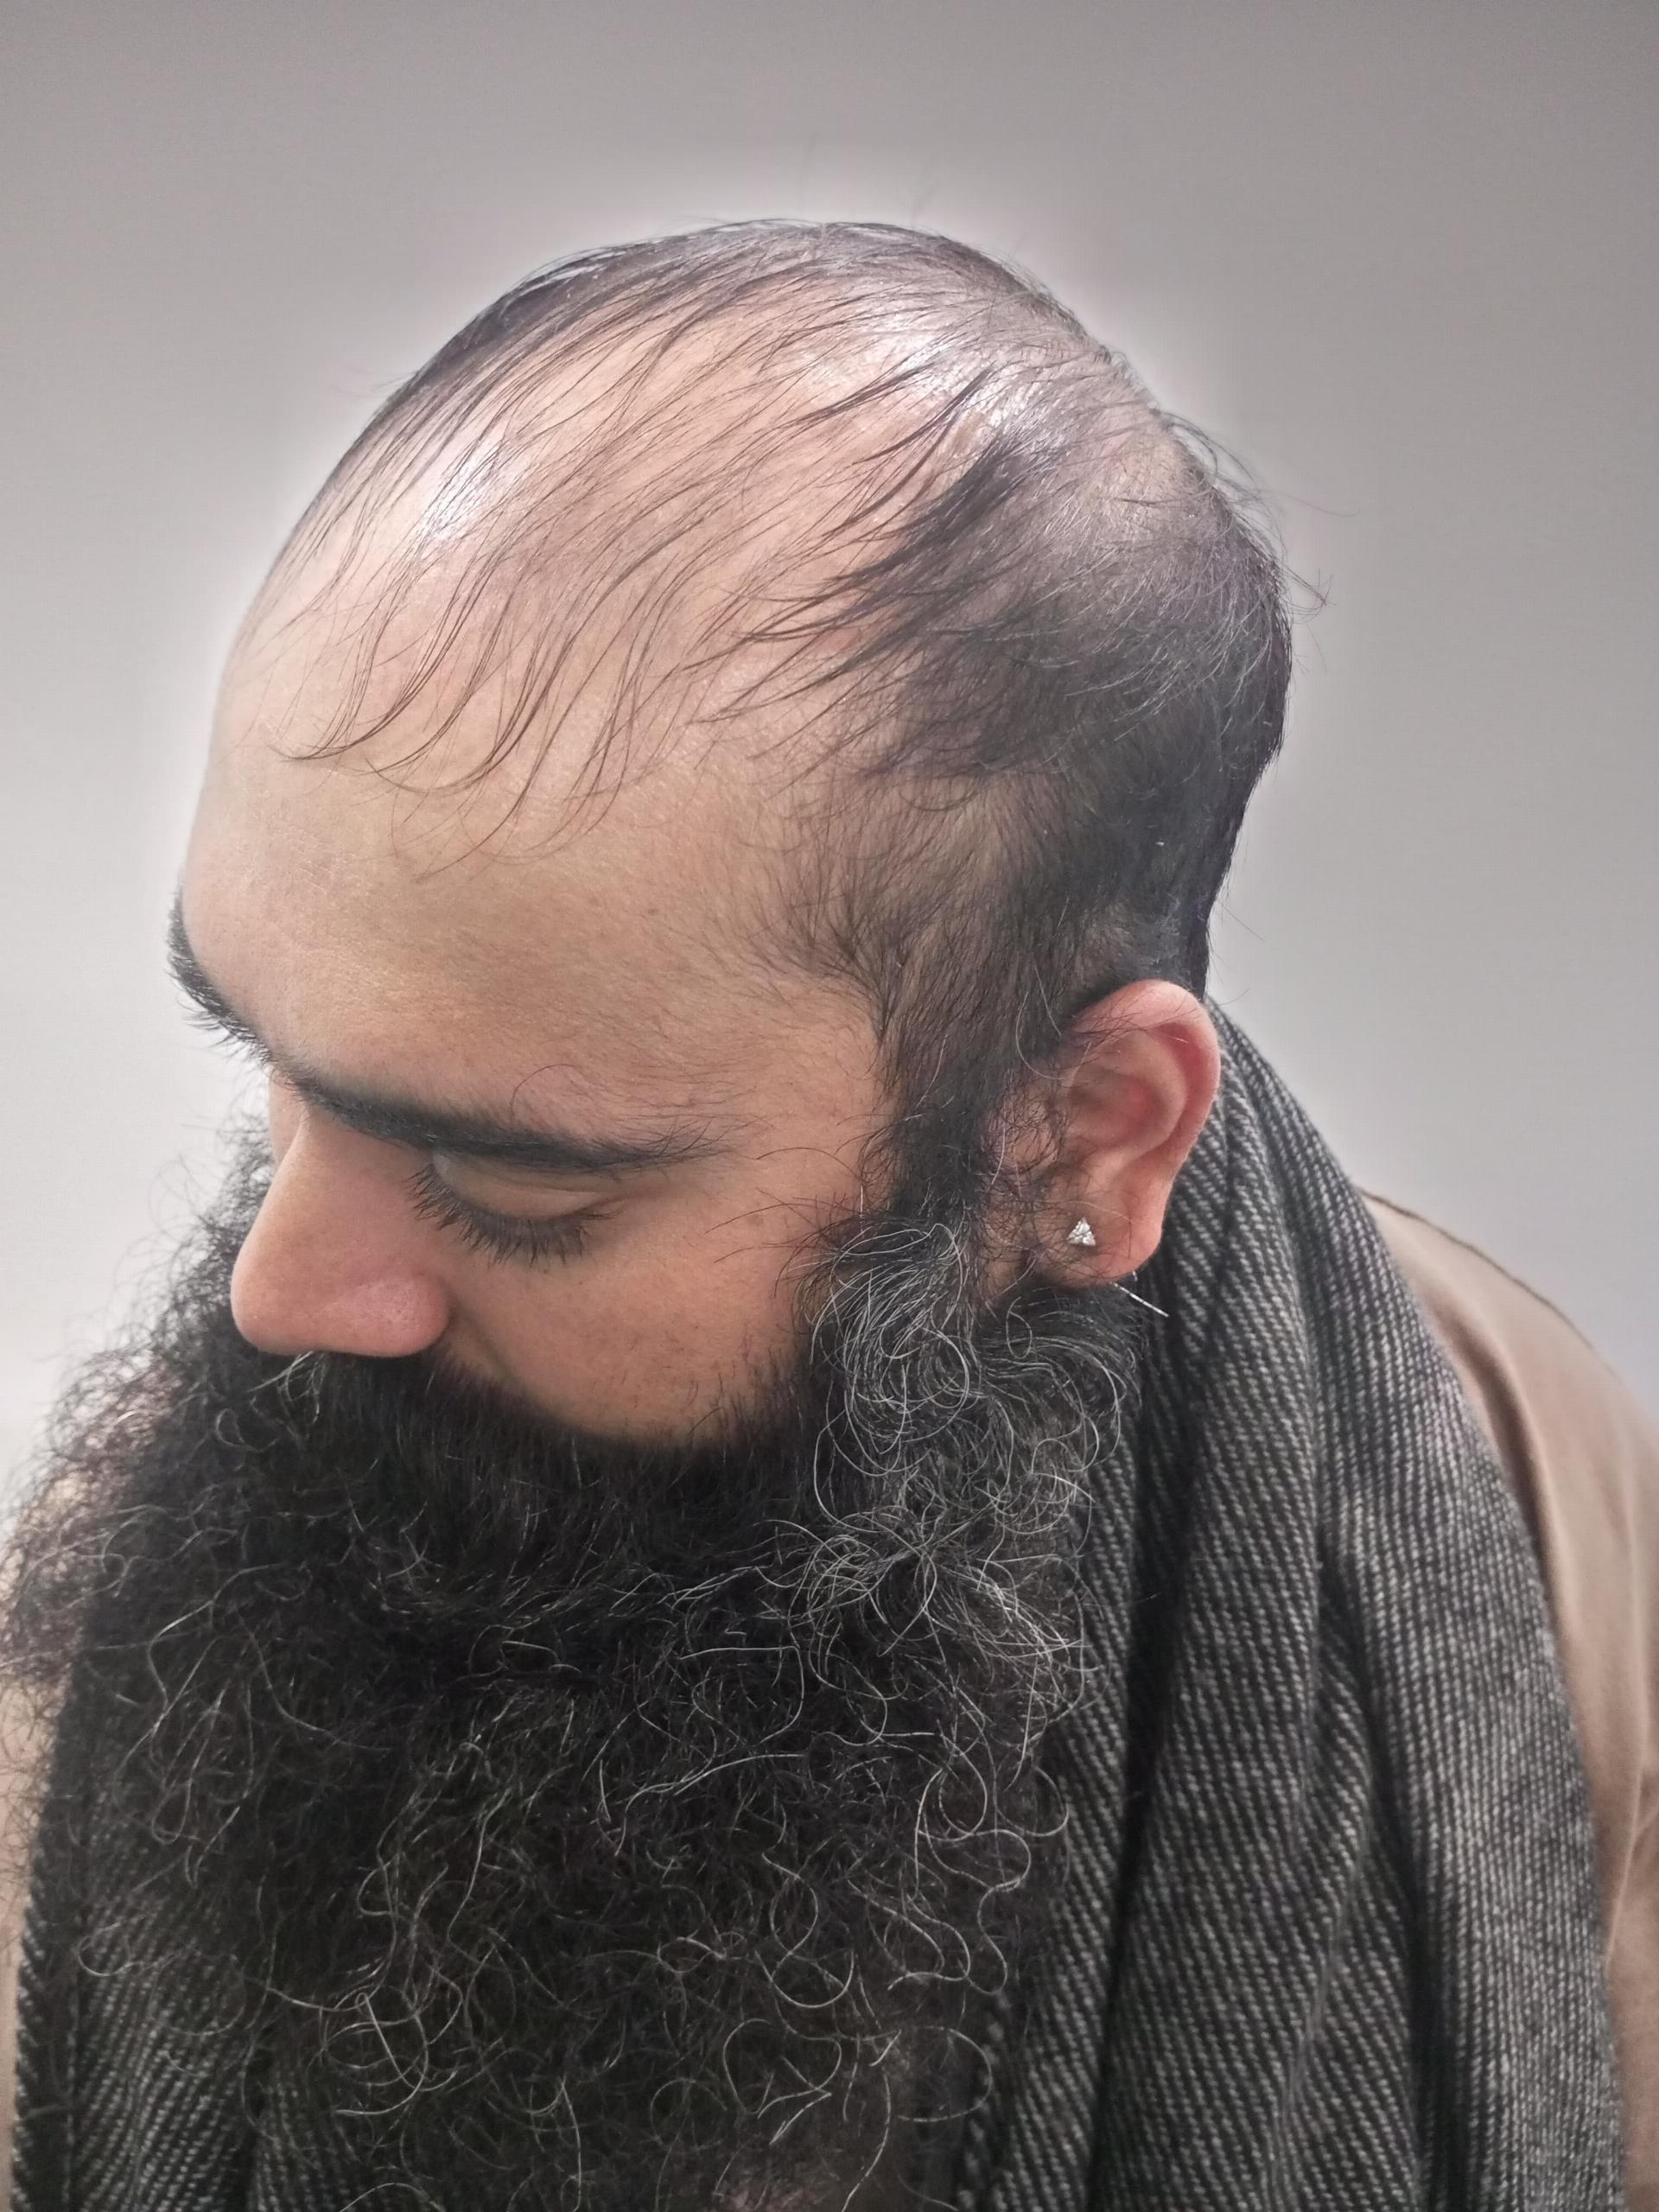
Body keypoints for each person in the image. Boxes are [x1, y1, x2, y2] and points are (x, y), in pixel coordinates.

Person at [0, 219, 1654, 2212]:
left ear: (1080, 1136)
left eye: (516, 1183)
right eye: (269, 1062)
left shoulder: (1506, 1505)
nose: (277, 1292)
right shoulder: (128, 1683)